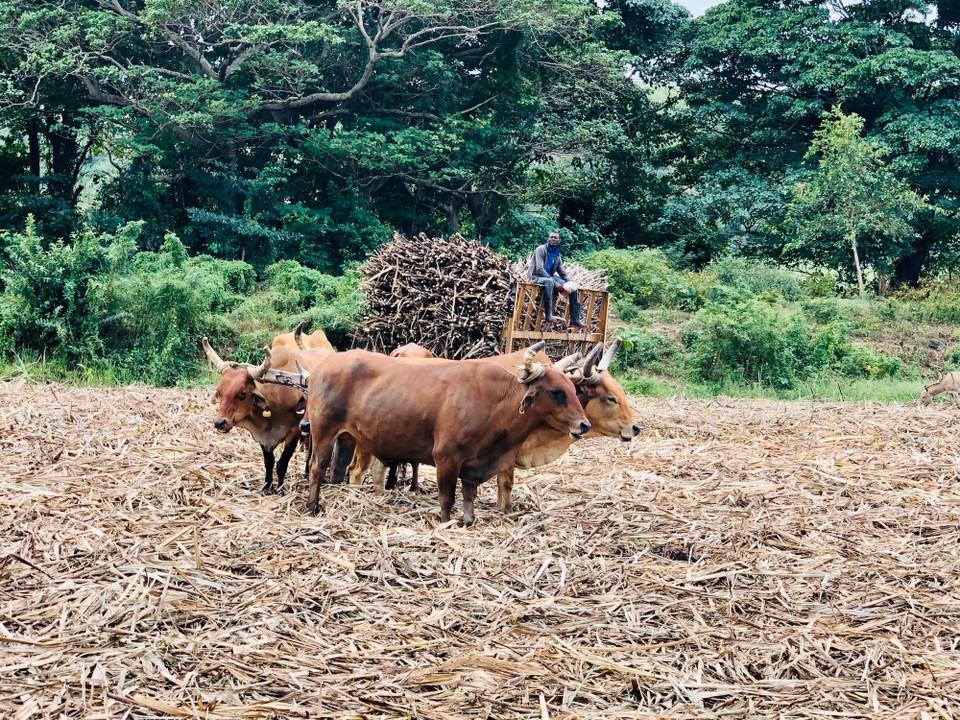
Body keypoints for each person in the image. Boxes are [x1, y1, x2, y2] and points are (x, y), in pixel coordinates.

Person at [528, 230, 585, 328]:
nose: (553, 239)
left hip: (549, 277)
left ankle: (575, 319)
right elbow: (539, 269)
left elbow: (562, 273)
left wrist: (570, 282)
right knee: (550, 281)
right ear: (548, 239)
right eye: (551, 237)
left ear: (559, 241)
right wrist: (554, 282)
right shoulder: (541, 249)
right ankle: (548, 315)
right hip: (536, 276)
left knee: (573, 286)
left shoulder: (557, 255)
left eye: (555, 238)